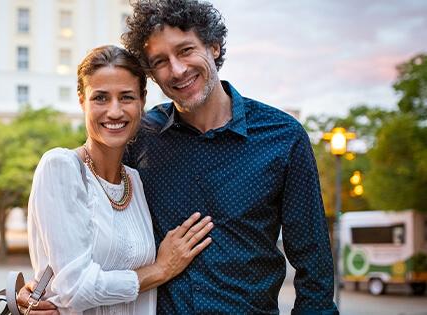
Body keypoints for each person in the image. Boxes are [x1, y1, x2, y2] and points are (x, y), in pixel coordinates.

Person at [21, 0, 338, 314]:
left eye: (185, 50)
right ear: (151, 75)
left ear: (213, 46)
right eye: (159, 61)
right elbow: (87, 220)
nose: (177, 69)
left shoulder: (282, 137)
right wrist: (42, 289)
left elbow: (316, 274)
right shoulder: (139, 138)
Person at [26, 45, 214, 314]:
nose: (114, 112)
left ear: (142, 101)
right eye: (100, 98)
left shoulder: (136, 181)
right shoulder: (61, 167)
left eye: (126, 97)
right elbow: (76, 288)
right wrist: (160, 269)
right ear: (82, 100)